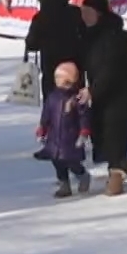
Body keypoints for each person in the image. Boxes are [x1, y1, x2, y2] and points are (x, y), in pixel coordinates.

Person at [79, 0, 127, 194]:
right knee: (101, 132)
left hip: (120, 93)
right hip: (101, 93)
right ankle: (120, 164)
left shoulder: (113, 36)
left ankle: (116, 174)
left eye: (89, 13)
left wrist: (93, 90)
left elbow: (111, 69)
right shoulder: (88, 35)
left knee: (115, 133)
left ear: (99, 14)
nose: (85, 17)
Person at [36, 62, 94, 198]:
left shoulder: (78, 97)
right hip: (54, 138)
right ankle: (64, 184)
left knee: (71, 161)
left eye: (60, 78)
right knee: (57, 162)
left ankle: (82, 175)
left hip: (71, 138)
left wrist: (84, 132)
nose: (57, 81)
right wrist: (42, 128)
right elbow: (46, 114)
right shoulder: (52, 97)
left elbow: (84, 116)